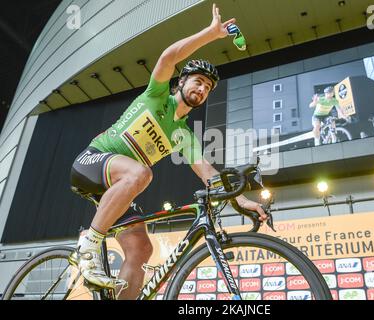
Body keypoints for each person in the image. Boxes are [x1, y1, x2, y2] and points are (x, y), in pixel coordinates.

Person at [69, 4, 267, 300]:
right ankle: (89, 244)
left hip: (119, 186)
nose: (202, 89)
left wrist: (241, 199)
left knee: (141, 248)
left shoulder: (183, 135)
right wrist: (211, 34)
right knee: (141, 173)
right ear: (181, 82)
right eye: (198, 81)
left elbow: (209, 175)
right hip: (91, 162)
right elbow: (168, 57)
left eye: (208, 88)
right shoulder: (157, 94)